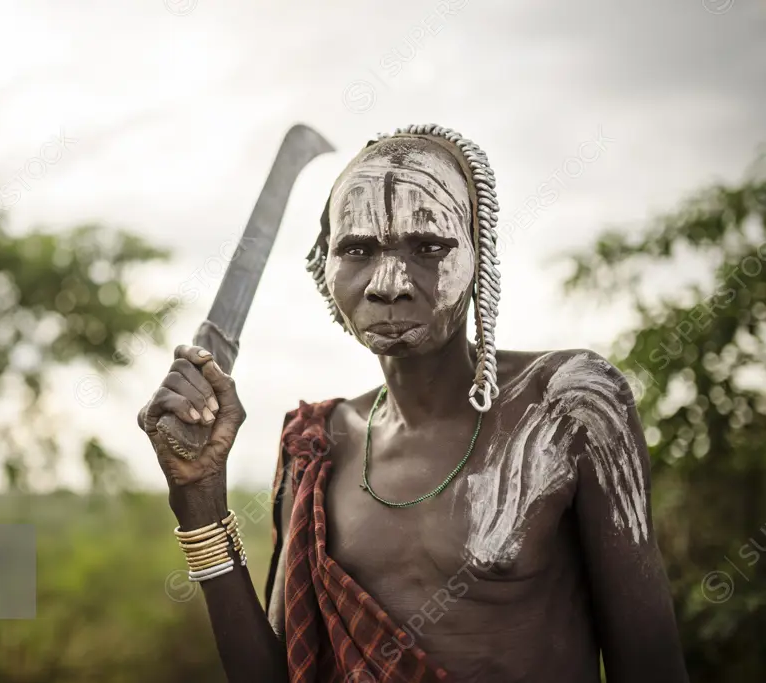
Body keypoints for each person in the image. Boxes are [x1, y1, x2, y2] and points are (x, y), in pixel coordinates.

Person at [138, 124, 689, 682]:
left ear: (479, 258)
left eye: (429, 247)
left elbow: (652, 665)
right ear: (324, 270)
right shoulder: (316, 443)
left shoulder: (568, 405)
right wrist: (199, 501)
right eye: (357, 249)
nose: (389, 282)